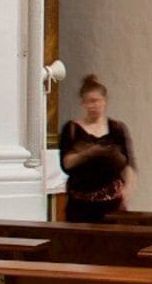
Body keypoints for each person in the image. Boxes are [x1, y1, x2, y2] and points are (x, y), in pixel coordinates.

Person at [57, 76, 135, 224]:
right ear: (82, 103)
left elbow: (128, 165)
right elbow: (66, 164)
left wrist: (128, 189)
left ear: (105, 101)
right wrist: (87, 153)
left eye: (96, 100)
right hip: (80, 205)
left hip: (112, 204)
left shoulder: (117, 129)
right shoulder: (72, 129)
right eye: (88, 101)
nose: (93, 105)